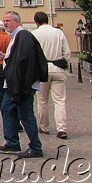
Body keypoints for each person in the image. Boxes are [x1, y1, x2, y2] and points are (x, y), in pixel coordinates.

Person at [0, 11, 48, 159]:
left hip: (21, 85)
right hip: (13, 85)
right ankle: (12, 142)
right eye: (4, 20)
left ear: (17, 22)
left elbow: (25, 62)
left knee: (26, 115)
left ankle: (36, 147)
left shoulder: (23, 36)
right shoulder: (15, 37)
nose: (5, 23)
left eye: (8, 20)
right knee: (7, 109)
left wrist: (22, 86)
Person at [31, 11, 70, 139]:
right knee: (59, 100)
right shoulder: (58, 32)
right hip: (57, 67)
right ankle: (61, 128)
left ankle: (44, 127)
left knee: (42, 101)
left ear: (36, 22)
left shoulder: (35, 34)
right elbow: (67, 52)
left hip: (42, 69)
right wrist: (65, 64)